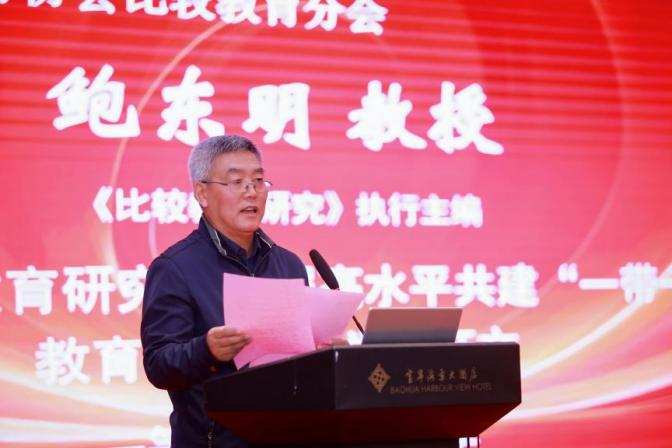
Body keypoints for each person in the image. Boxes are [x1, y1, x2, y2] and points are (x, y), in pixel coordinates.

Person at [141, 135, 308, 447]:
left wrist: (326, 352)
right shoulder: (175, 267)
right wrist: (206, 350)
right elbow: (158, 365)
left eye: (258, 181)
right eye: (237, 182)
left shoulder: (289, 265)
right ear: (202, 193)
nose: (251, 192)